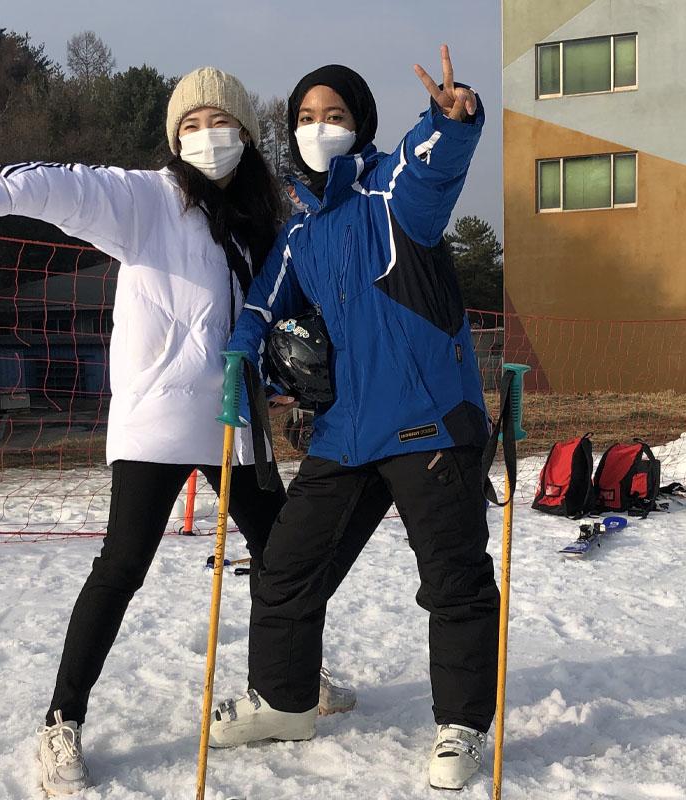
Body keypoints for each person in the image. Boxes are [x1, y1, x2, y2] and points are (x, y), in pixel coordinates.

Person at [0, 67, 353, 796]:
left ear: (245, 135)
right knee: (121, 567)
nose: (205, 137)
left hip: (238, 421)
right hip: (159, 421)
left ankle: (295, 678)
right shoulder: (148, 201)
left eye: (218, 122)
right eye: (189, 126)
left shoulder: (264, 220)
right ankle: (61, 723)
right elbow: (73, 186)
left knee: (285, 557)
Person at [208, 47, 498, 790]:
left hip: (429, 418)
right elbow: (262, 303)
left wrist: (451, 119)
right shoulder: (303, 231)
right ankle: (283, 698)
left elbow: (430, 166)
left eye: (333, 116)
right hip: (347, 431)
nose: (318, 128)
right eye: (305, 118)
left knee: (453, 579)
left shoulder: (391, 194)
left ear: (361, 125)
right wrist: (243, 355)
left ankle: (461, 728)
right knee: (287, 567)